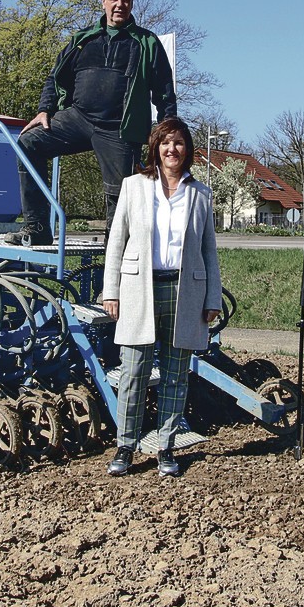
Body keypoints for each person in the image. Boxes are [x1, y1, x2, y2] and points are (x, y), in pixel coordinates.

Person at [12, 0, 178, 245]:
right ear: (103, 2)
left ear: (132, 2)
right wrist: (45, 110)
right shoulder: (82, 39)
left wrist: (168, 130)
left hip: (119, 128)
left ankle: (115, 255)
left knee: (120, 194)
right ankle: (37, 227)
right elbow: (55, 78)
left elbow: (164, 91)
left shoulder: (146, 43)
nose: (119, 4)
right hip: (77, 118)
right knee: (28, 143)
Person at [101, 118, 222, 477]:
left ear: (188, 151)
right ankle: (126, 445)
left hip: (184, 291)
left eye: (180, 143)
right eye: (166, 142)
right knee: (134, 370)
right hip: (140, 288)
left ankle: (166, 447)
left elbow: (209, 250)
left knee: (175, 373)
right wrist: (112, 291)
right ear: (155, 147)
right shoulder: (134, 187)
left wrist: (211, 296)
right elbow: (117, 242)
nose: (172, 149)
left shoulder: (200, 193)